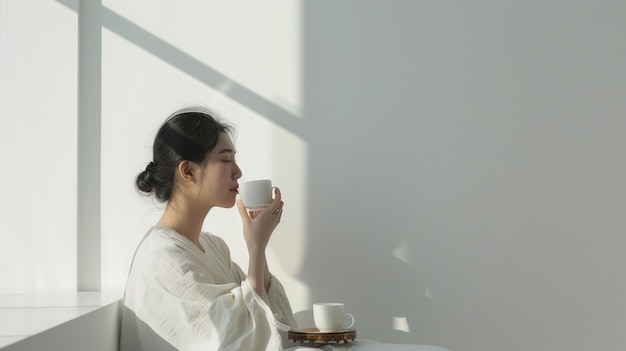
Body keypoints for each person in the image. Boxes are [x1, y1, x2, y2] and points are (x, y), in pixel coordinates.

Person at [119, 107, 300, 350]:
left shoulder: (214, 247)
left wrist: (259, 245)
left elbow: (265, 313)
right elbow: (232, 338)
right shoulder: (160, 259)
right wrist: (255, 248)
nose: (238, 171)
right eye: (226, 160)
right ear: (188, 171)